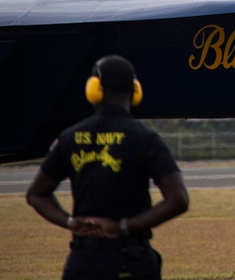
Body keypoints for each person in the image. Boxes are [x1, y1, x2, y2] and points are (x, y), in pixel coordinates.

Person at [26, 54, 189, 280]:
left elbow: (36, 194)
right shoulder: (145, 138)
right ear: (135, 91)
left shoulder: (69, 137)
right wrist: (125, 226)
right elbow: (178, 199)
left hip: (82, 261)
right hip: (130, 257)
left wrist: (71, 222)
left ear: (94, 90)